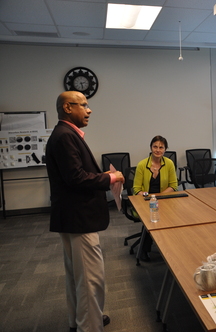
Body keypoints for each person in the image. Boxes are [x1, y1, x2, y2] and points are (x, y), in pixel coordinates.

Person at [46, 91, 125, 332]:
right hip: (80, 219)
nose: (89, 110)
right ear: (67, 108)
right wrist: (110, 177)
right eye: (84, 105)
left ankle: (78, 321)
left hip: (71, 218)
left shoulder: (64, 134)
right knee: (91, 280)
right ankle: (89, 327)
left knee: (76, 277)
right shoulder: (65, 136)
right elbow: (76, 178)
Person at [133, 135, 178, 260]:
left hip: (164, 199)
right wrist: (149, 197)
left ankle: (169, 248)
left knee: (172, 219)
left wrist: (159, 197)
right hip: (145, 200)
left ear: (165, 149)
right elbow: (136, 189)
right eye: (155, 147)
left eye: (161, 147)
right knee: (150, 219)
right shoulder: (142, 165)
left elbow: (174, 186)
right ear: (151, 148)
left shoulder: (169, 164)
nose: (158, 150)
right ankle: (144, 249)